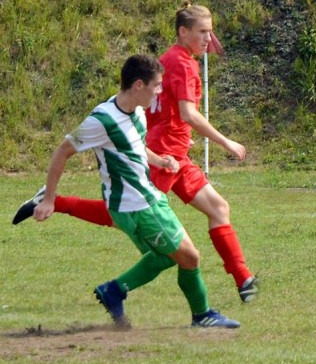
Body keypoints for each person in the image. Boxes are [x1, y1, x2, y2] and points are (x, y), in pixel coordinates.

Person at [13, 0, 259, 304]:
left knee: (218, 208)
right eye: (203, 31)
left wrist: (176, 136)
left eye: (210, 31)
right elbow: (187, 113)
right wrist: (226, 142)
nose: (209, 38)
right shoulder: (183, 64)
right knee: (124, 213)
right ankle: (56, 203)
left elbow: (158, 107)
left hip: (173, 154)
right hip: (164, 153)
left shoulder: (169, 58)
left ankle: (243, 278)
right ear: (184, 32)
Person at [32, 54, 240, 329]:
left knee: (166, 257)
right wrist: (49, 199)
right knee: (190, 256)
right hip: (138, 205)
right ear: (139, 85)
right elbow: (63, 151)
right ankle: (202, 315)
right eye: (156, 85)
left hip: (142, 199)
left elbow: (137, 147)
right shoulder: (102, 120)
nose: (160, 91)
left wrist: (160, 161)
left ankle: (114, 291)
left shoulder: (138, 112)